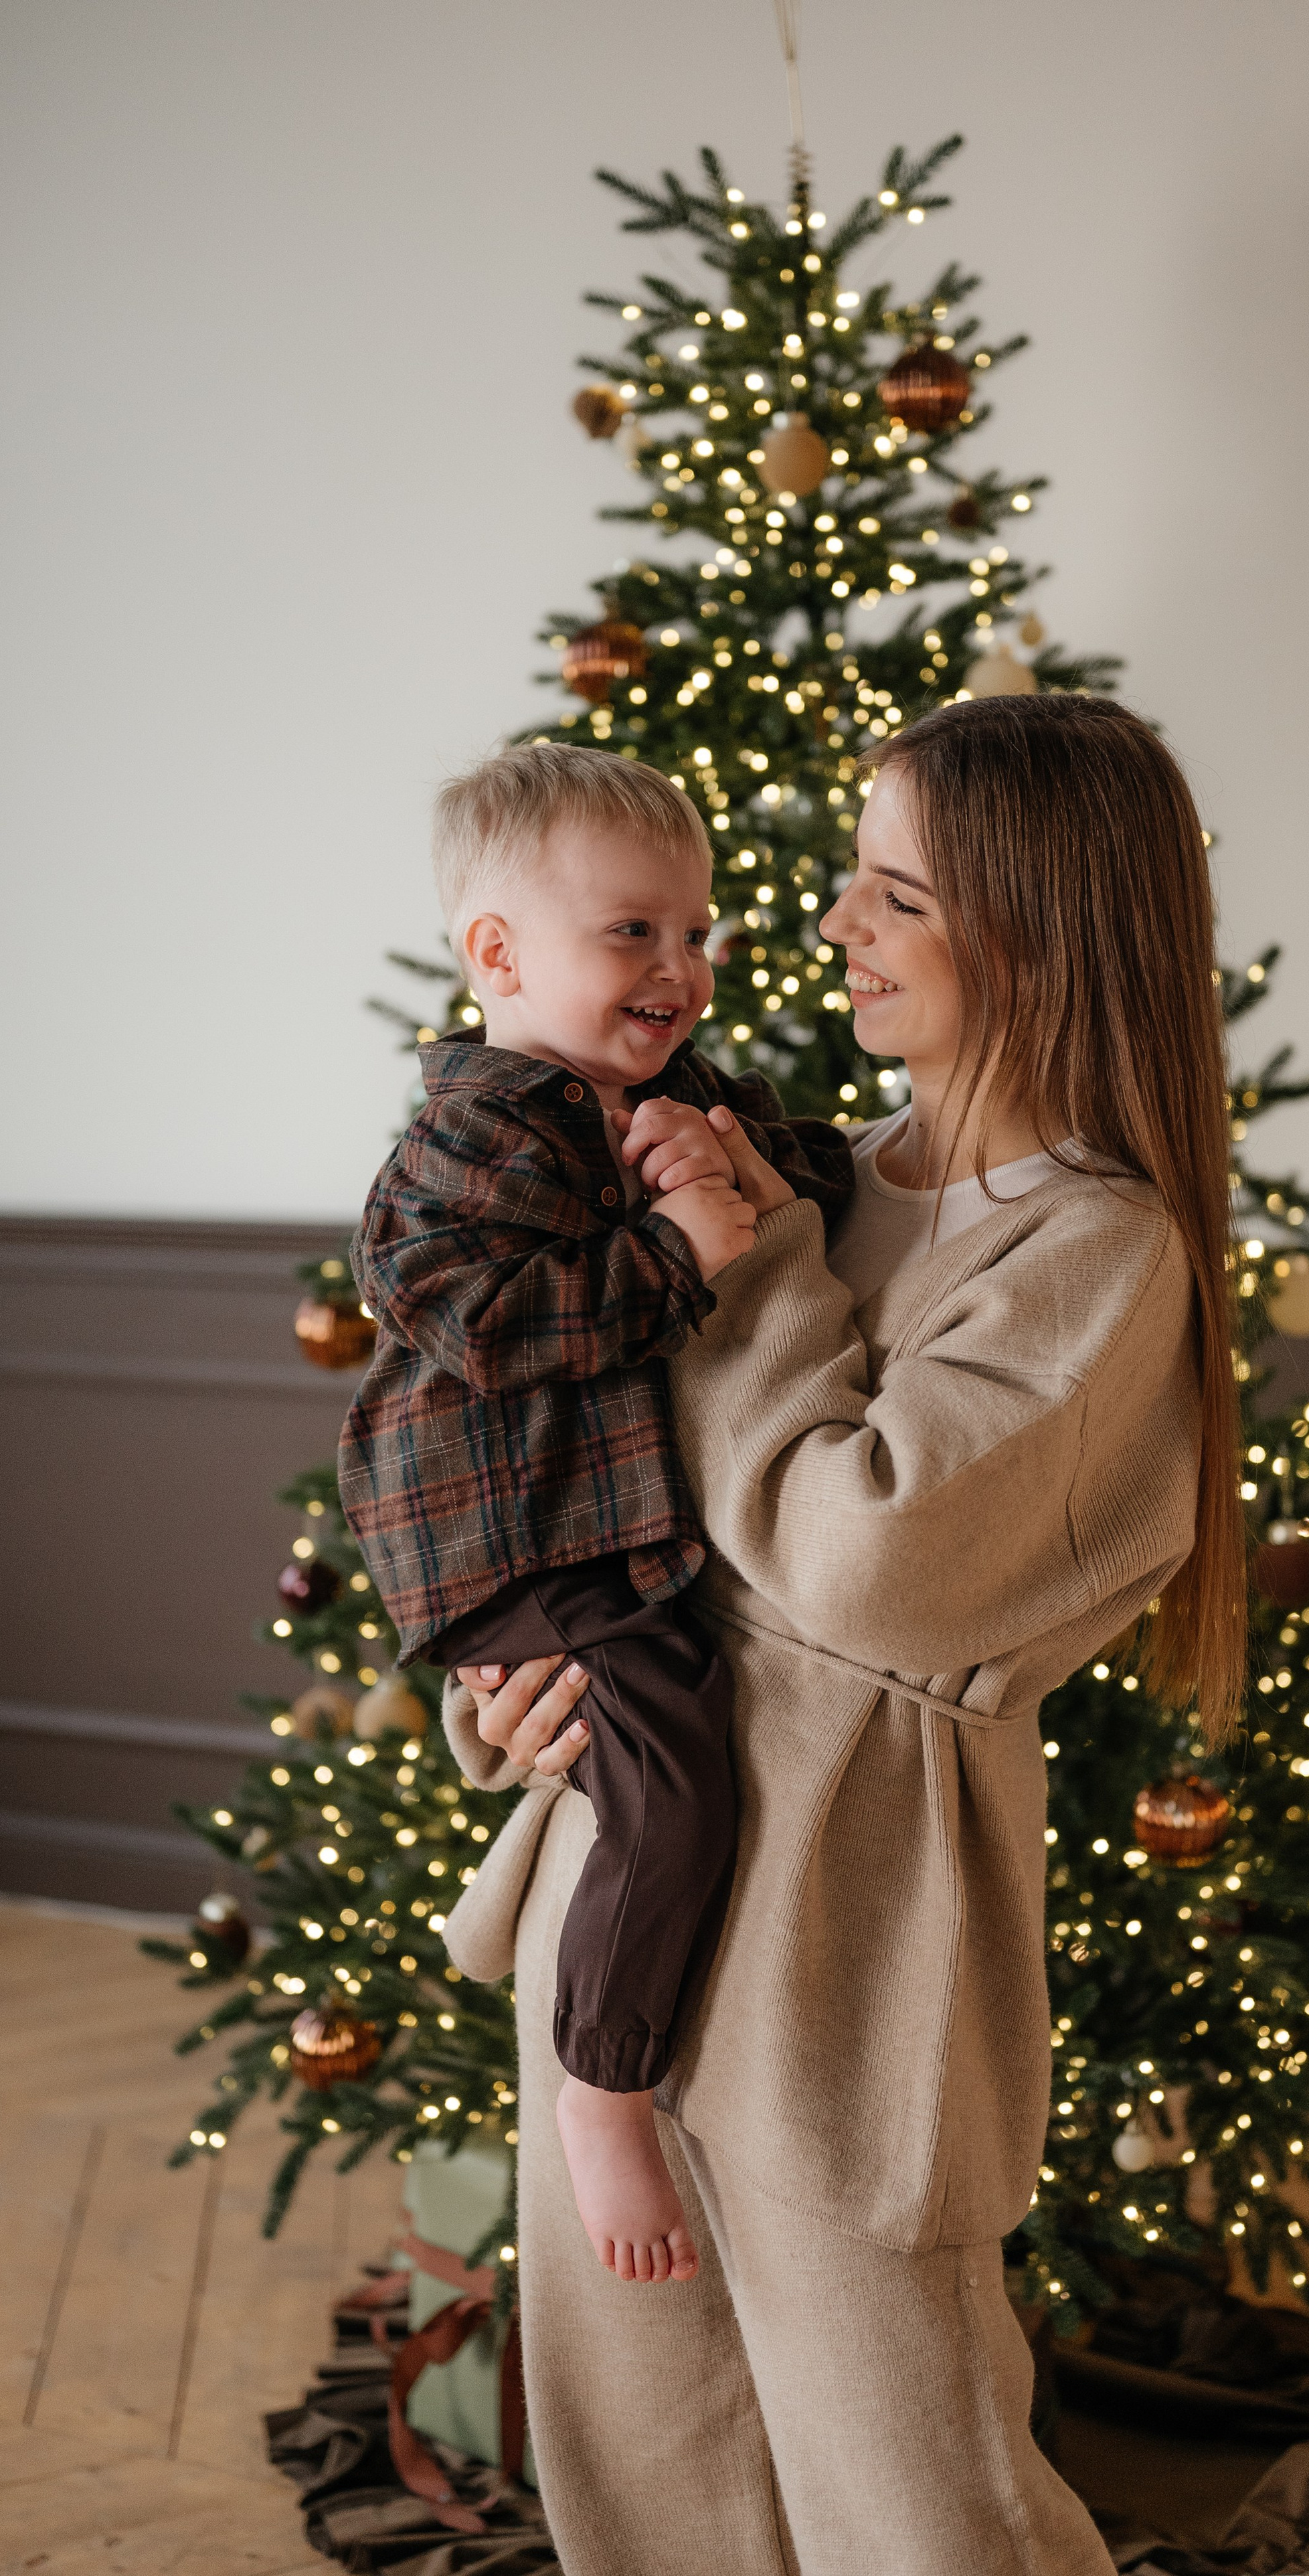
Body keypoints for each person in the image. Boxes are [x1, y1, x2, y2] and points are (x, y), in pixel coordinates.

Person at [440, 694, 1246, 2576]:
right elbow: (562, 1453)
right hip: (618, 1886)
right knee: (638, 2431)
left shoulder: (1095, 1255)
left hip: (849, 1938)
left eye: (893, 897)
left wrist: (751, 1263)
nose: (830, 934)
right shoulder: (785, 1165)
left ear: (1036, 935)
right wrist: (512, 1684)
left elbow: (866, 1559)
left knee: (907, 2470)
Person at [338, 742, 853, 2289]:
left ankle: (612, 2062)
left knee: (683, 1731)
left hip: (594, 1521)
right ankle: (602, 2085)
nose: (680, 966)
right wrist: (683, 1248)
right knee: (674, 1764)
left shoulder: (664, 1092)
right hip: (501, 1527)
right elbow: (479, 1324)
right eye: (632, 930)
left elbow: (830, 1178)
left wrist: (741, 1165)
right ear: (496, 954)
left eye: (694, 932)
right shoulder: (473, 1134)